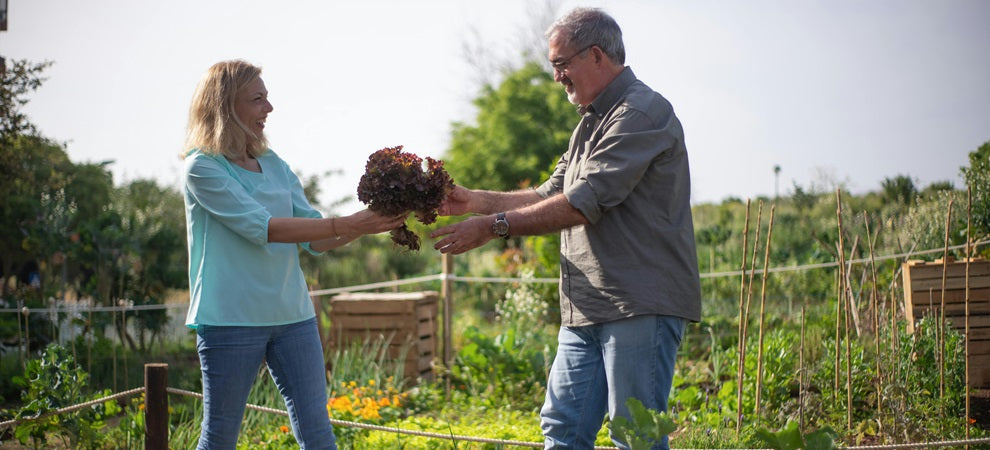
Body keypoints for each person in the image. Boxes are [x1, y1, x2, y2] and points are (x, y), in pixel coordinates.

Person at [430, 8, 701, 450]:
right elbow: (549, 193)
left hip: (637, 304)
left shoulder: (642, 112)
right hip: (586, 308)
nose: (557, 76)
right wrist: (474, 200)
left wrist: (493, 226)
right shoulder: (590, 122)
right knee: (563, 429)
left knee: (636, 438)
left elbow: (582, 202)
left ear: (596, 56)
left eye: (561, 64)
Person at [181, 59, 406, 450]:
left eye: (267, 98)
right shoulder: (202, 169)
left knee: (318, 432)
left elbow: (314, 238)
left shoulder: (273, 164)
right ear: (224, 105)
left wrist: (368, 225)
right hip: (231, 320)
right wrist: (350, 222)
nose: (269, 108)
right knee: (219, 438)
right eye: (258, 99)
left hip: (293, 317)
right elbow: (265, 229)